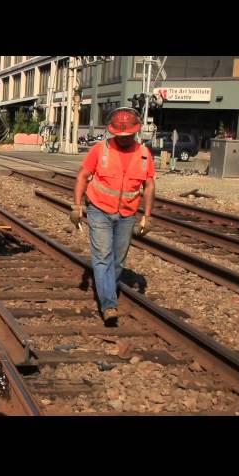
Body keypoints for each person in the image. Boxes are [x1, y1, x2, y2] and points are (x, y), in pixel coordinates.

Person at [70, 107, 156, 326]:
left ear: (135, 132)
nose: (124, 139)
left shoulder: (144, 155)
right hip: (99, 210)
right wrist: (77, 206)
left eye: (128, 135)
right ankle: (108, 305)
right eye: (120, 135)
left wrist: (147, 215)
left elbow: (149, 185)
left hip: (127, 214)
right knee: (102, 257)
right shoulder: (101, 150)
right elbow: (83, 176)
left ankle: (108, 290)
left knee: (117, 260)